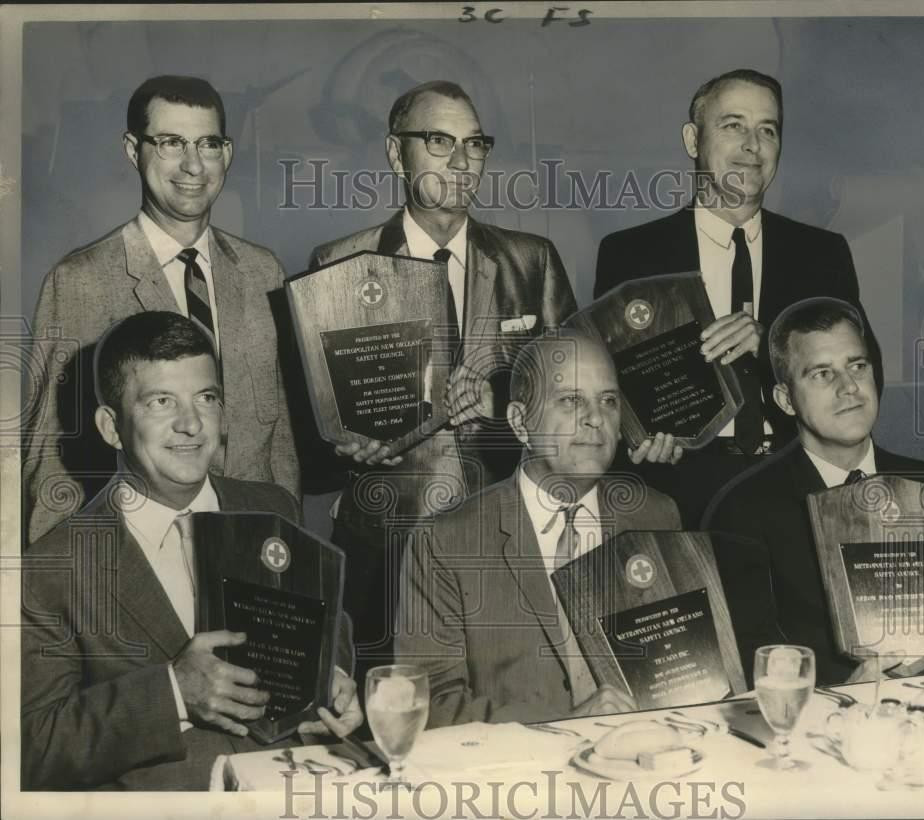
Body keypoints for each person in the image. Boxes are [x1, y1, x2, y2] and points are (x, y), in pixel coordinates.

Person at [21, 312, 359, 790]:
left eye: (206, 398)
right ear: (111, 426)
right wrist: (174, 693)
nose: (191, 423)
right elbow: (33, 749)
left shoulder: (271, 505)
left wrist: (334, 674)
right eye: (161, 402)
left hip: (302, 792)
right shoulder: (48, 571)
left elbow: (329, 621)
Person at [308, 80, 580, 675]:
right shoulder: (339, 264)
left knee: (506, 712)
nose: (461, 161)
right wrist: (343, 446)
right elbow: (313, 435)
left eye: (475, 144)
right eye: (438, 141)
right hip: (385, 545)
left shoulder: (532, 260)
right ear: (394, 153)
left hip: (508, 539)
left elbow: (575, 398)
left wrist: (501, 397)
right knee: (387, 713)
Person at [594, 68, 879, 527]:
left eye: (767, 129)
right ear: (693, 140)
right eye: (733, 126)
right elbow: (605, 384)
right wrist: (635, 438)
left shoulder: (822, 254)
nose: (752, 145)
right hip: (679, 489)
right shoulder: (630, 254)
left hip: (799, 485)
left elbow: (870, 375)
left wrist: (773, 346)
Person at [24, 75, 298, 544]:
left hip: (251, 553)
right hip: (136, 558)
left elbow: (282, 449)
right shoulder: (79, 281)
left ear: (227, 154)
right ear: (134, 151)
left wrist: (287, 548)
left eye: (208, 144)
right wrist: (68, 588)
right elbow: (50, 462)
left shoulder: (262, 272)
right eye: (171, 143)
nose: (193, 165)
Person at [394, 329, 712, 727]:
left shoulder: (657, 514)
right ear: (520, 422)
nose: (596, 419)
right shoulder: (444, 542)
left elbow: (686, 671)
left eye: (608, 401)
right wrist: (562, 722)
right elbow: (429, 708)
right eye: (571, 401)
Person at [703, 297, 924, 685]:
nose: (849, 387)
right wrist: (843, 693)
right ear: (785, 400)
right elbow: (747, 663)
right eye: (822, 374)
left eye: (857, 366)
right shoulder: (741, 510)